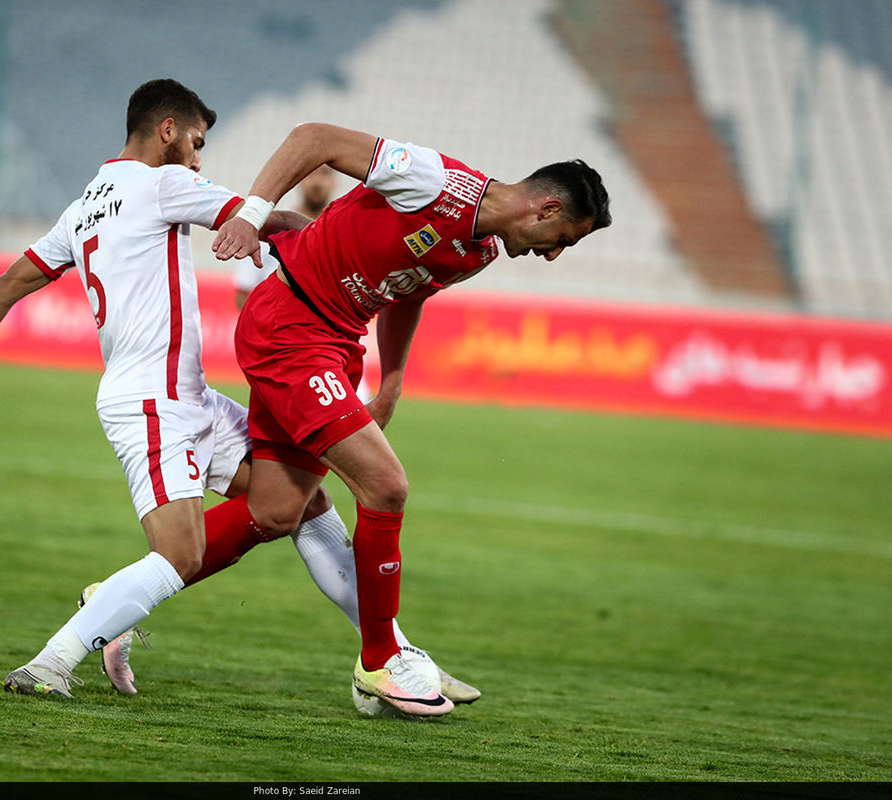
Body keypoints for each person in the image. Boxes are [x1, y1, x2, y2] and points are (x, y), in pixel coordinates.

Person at [0, 81, 477, 708]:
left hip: (187, 398)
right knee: (180, 551)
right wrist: (336, 253)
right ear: (167, 130)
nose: (199, 160)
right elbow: (269, 218)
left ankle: (393, 653)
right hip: (149, 400)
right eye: (197, 143)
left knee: (299, 505)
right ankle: (52, 660)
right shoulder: (160, 183)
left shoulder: (83, 206)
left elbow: (11, 283)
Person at [213, 123, 611, 716]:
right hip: (292, 328)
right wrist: (252, 213)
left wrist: (392, 381)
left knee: (274, 512)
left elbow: (404, 296)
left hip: (333, 343)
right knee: (386, 485)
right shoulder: (432, 180)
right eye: (562, 239)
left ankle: (120, 601)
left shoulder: (476, 251)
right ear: (546, 207)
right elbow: (313, 137)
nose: (553, 253)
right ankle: (382, 660)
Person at [233, 165, 336, 310]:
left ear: (334, 182)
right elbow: (243, 290)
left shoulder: (340, 234)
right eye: (311, 174)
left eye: (325, 174)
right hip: (275, 326)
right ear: (300, 180)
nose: (317, 182)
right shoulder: (272, 227)